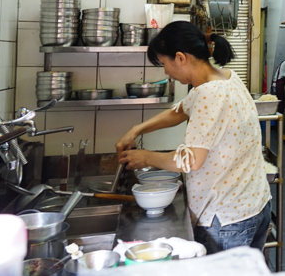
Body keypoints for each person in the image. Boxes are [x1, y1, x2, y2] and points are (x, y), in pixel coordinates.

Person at [115, 21, 271, 254]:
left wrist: (146, 158)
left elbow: (192, 161)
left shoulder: (210, 94)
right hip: (254, 205)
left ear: (180, 58)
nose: (166, 72)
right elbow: (179, 111)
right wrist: (136, 129)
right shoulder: (225, 77)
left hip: (227, 218)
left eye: (164, 64)